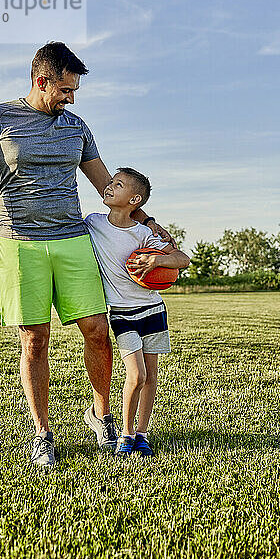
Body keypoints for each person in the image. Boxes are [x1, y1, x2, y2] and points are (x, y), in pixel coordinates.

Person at [0, 42, 174, 471]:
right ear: (42, 81)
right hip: (19, 242)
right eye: (65, 88)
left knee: (97, 330)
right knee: (34, 339)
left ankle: (101, 416)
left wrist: (148, 221)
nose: (71, 97)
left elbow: (104, 182)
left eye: (74, 90)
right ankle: (42, 434)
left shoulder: (76, 126)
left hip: (73, 239)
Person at [85, 168, 190, 457]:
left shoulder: (143, 233)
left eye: (117, 185)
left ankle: (142, 434)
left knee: (151, 376)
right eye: (110, 183)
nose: (108, 187)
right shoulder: (93, 223)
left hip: (153, 310)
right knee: (136, 375)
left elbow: (183, 259)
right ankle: (126, 434)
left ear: (134, 199)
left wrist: (157, 262)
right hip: (122, 314)